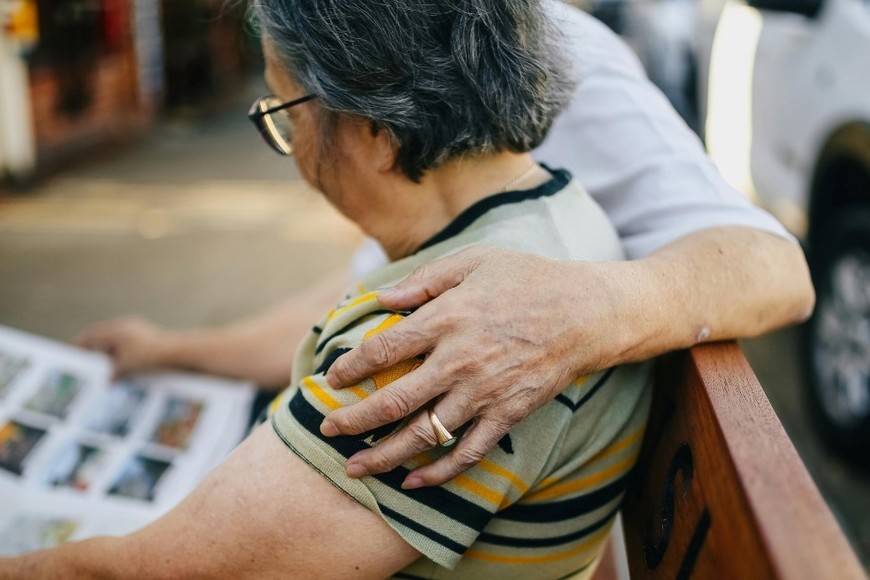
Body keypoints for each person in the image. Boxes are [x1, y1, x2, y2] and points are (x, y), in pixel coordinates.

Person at [4, 1, 661, 577]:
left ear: (376, 126)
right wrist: (169, 349)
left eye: (285, 109)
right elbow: (334, 303)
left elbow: (158, 573)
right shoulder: (544, 214)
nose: (292, 149)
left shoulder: (448, 332)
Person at [75, 0, 815, 491]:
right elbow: (360, 293)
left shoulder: (547, 47)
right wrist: (172, 349)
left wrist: (568, 312)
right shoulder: (396, 42)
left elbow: (775, 267)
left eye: (290, 115)